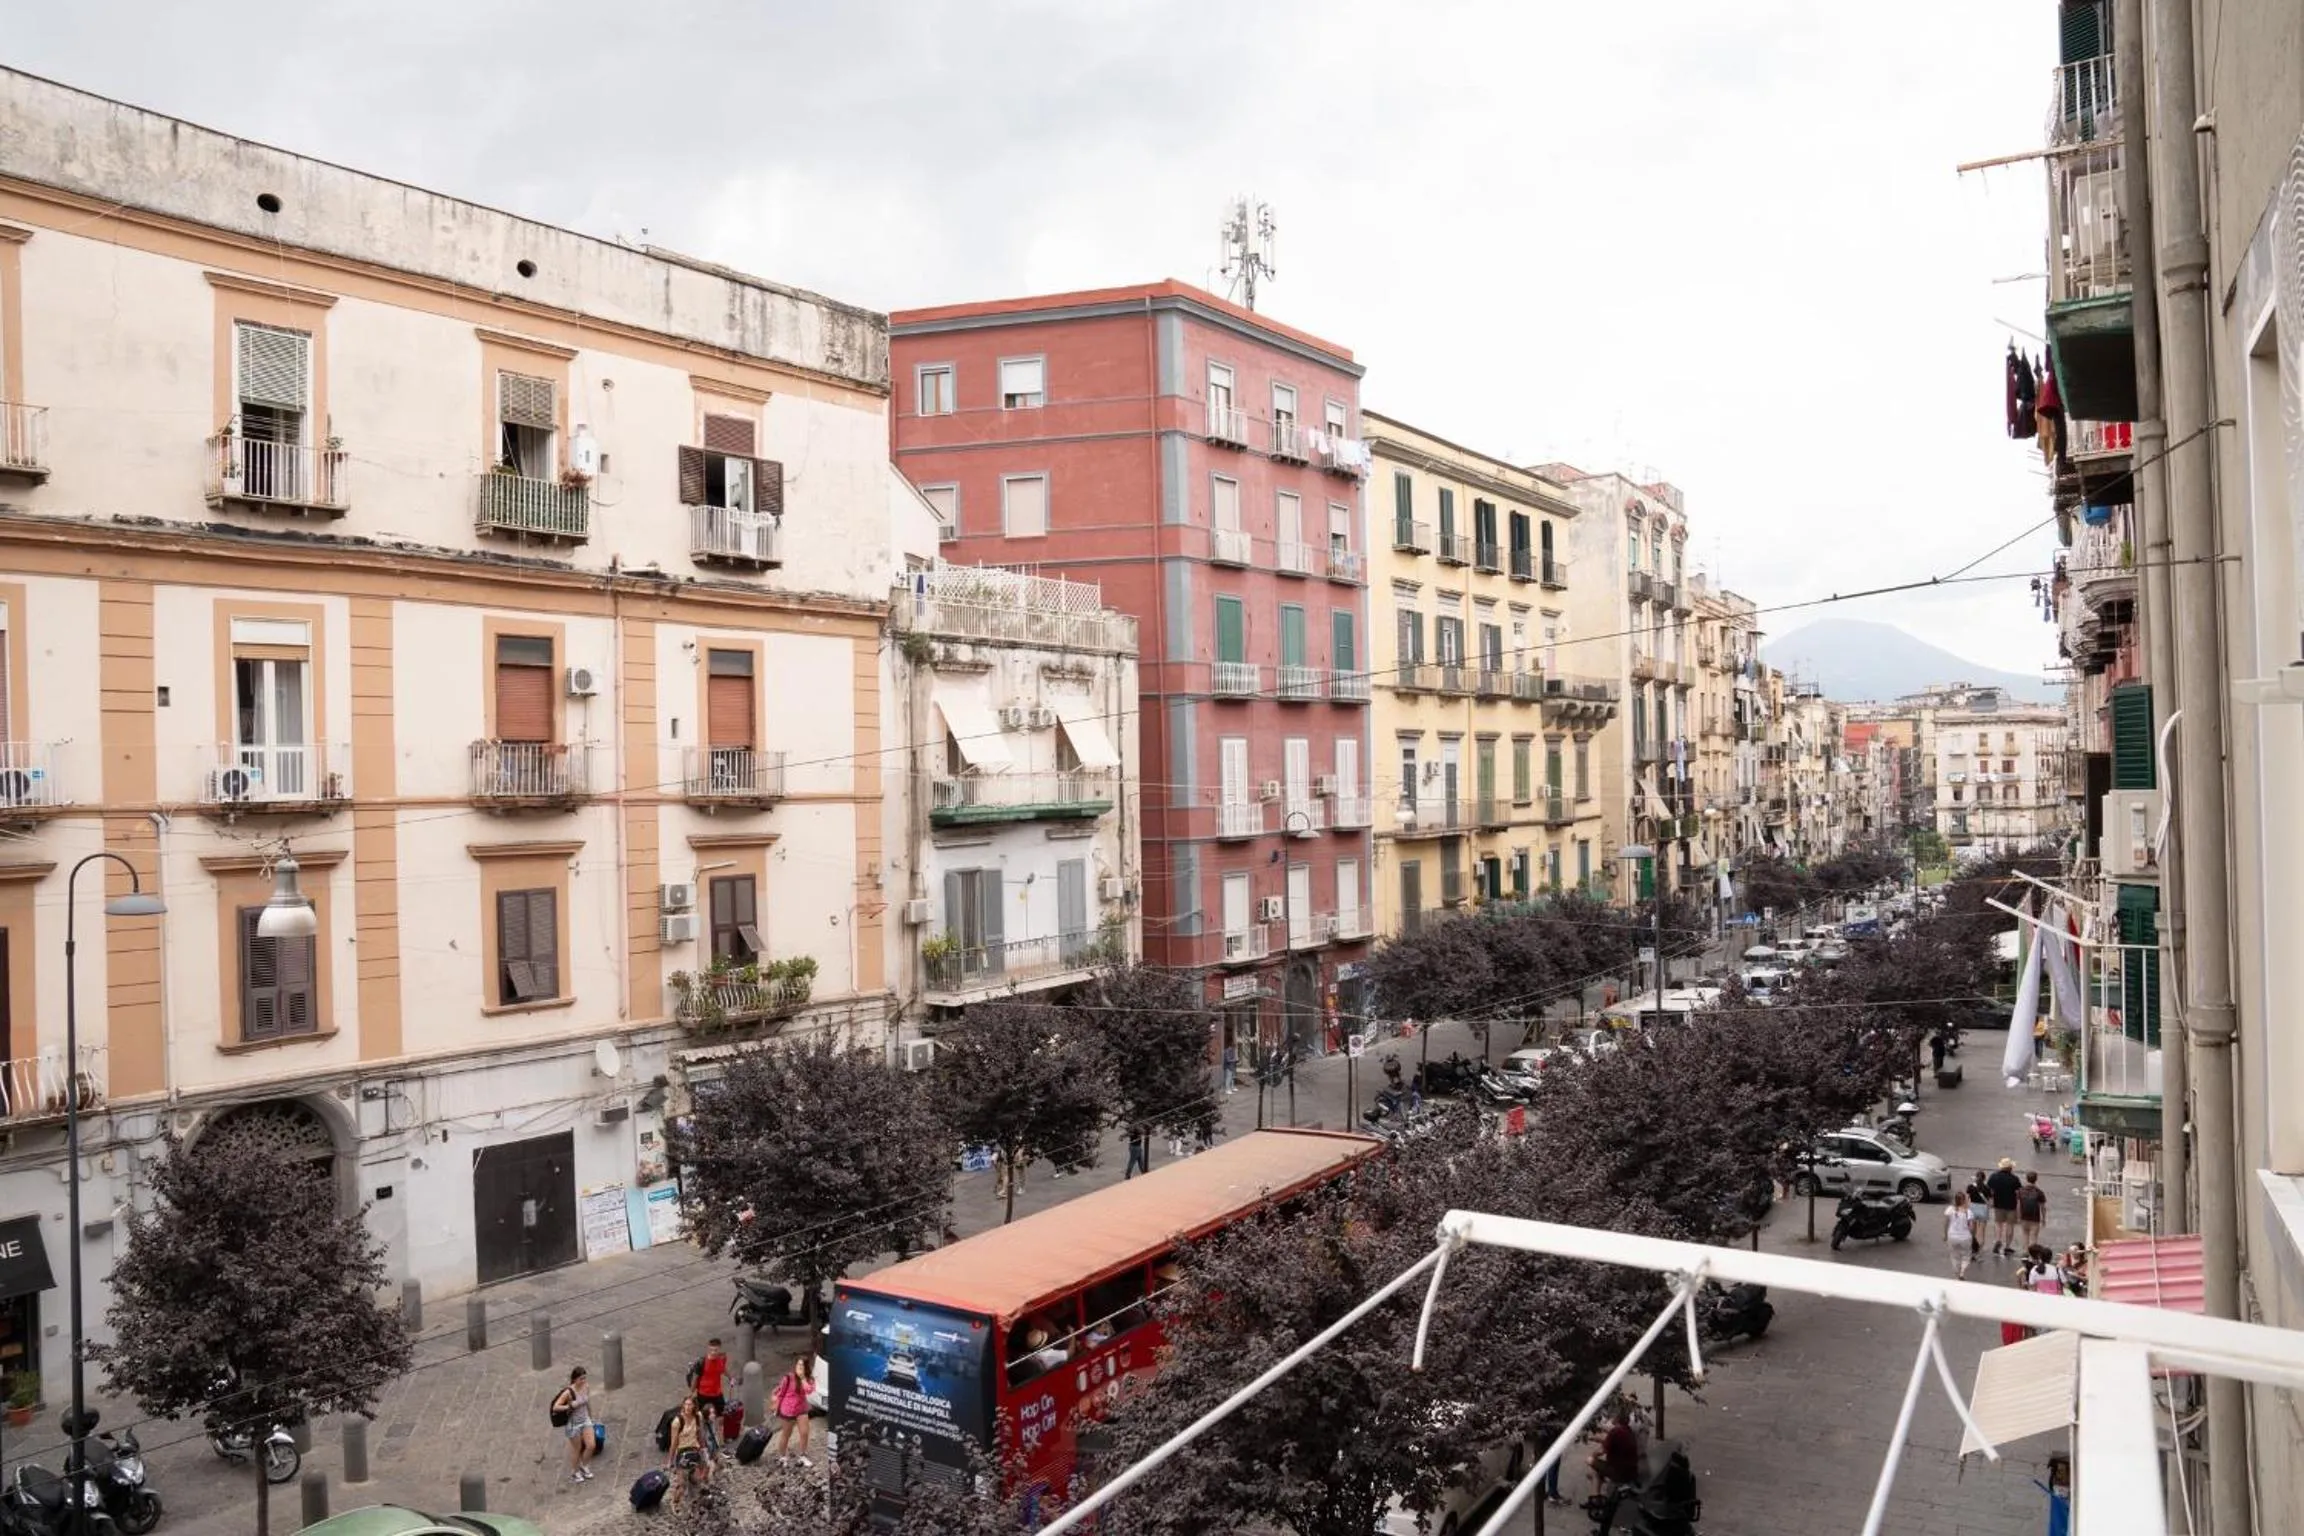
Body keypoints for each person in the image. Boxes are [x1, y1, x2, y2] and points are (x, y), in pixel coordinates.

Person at [552, 1365, 597, 1483]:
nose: (583, 1381)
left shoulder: (586, 1387)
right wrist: (570, 1405)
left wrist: (591, 1417)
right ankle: (575, 1472)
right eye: (581, 1379)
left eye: (585, 1378)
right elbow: (556, 1407)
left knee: (591, 1445)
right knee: (577, 1449)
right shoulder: (568, 1392)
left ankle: (584, 1466)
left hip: (585, 1420)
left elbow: (587, 1402)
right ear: (574, 1379)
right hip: (573, 1424)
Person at [688, 1338, 731, 1460]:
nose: (713, 1352)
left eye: (716, 1350)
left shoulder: (722, 1358)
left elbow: (723, 1369)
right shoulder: (701, 1362)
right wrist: (691, 1393)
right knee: (702, 1419)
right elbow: (695, 1378)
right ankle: (702, 1443)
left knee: (721, 1419)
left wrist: (730, 1377)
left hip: (717, 1394)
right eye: (711, 1350)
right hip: (704, 1394)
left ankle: (721, 1444)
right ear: (708, 1348)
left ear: (719, 1349)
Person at [1587, 1405, 1640, 1500]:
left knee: (1590, 1461)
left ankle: (1596, 1499)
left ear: (1616, 1418)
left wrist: (1593, 1455)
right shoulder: (1627, 1429)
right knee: (1596, 1471)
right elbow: (1609, 1440)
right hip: (1631, 1471)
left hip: (1619, 1471)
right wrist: (1597, 1439)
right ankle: (1597, 1496)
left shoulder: (1615, 1432)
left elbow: (1602, 1451)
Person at [665, 1396, 710, 1504]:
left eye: (690, 1404)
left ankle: (696, 1497)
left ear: (694, 1406)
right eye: (686, 1404)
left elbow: (700, 1435)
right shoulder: (677, 1422)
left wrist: (704, 1450)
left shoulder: (698, 1417)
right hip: (682, 1453)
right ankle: (675, 1503)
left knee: (700, 1476)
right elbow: (674, 1443)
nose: (688, 1407)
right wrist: (670, 1461)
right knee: (681, 1486)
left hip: (695, 1451)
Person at [773, 1356, 815, 1463]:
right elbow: (780, 1393)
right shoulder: (788, 1377)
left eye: (802, 1365)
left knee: (804, 1433)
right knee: (786, 1434)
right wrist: (776, 1408)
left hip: (801, 1409)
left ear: (806, 1367)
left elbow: (809, 1390)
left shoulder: (809, 1379)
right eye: (798, 1364)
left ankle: (803, 1455)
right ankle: (782, 1456)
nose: (800, 1367)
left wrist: (802, 1378)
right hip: (788, 1409)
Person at [1984, 1158, 2025, 1256]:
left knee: (1998, 1224)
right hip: (2011, 1205)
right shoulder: (2014, 1179)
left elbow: (1989, 1189)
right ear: (2010, 1168)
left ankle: (1998, 1240)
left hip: (1998, 1204)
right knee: (2010, 1226)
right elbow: (2018, 1192)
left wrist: (1992, 1199)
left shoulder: (1994, 1177)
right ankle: (2007, 1246)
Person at [1944, 1191, 1978, 1278]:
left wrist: (1945, 1235)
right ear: (1964, 1201)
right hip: (1965, 1237)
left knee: (1954, 1256)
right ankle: (1962, 1272)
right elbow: (1971, 1227)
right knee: (1966, 1256)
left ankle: (1956, 1272)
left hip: (1952, 1236)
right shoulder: (1968, 1212)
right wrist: (1973, 1236)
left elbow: (1946, 1223)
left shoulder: (1950, 1210)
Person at [2015, 1170, 2049, 1252]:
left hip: (2024, 1216)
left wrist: (2018, 1216)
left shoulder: (2020, 1191)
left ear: (2027, 1179)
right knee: (2034, 1237)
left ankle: (2025, 1251)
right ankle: (2033, 1254)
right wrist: (2043, 1219)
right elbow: (2043, 1207)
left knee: (2025, 1235)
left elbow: (2018, 1205)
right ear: (2036, 1179)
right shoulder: (2039, 1192)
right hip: (2035, 1217)